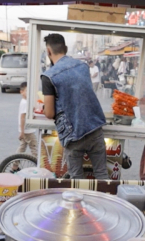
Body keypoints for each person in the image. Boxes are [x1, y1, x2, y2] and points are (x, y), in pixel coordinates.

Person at [41, 33, 109, 180]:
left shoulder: (48, 77)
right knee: (102, 175)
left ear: (48, 51)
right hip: (94, 128)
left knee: (77, 179)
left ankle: (80, 203)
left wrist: (46, 108)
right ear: (65, 48)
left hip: (73, 135)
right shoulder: (83, 66)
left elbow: (50, 113)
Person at [17, 82, 37, 155]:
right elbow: (22, 117)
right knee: (34, 147)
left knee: (22, 147)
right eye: (27, 91)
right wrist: (22, 131)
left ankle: (15, 165)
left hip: (25, 130)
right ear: (21, 92)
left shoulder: (25, 102)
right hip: (28, 130)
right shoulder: (25, 103)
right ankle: (37, 163)